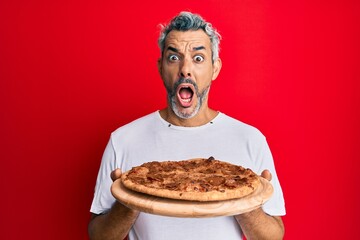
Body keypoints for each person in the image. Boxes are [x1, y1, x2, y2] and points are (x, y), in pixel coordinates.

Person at [88, 11, 285, 240]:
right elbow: (98, 236)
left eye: (198, 58)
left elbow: (273, 237)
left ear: (215, 68)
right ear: (161, 67)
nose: (185, 69)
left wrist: (246, 197)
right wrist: (130, 197)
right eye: (174, 58)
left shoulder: (250, 139)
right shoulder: (122, 140)